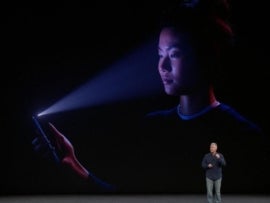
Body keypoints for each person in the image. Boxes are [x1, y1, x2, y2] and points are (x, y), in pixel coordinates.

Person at [32, 0, 269, 194]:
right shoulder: (151, 127)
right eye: (159, 54)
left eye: (174, 54)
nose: (162, 65)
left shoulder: (243, 137)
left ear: (206, 56)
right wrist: (74, 165)